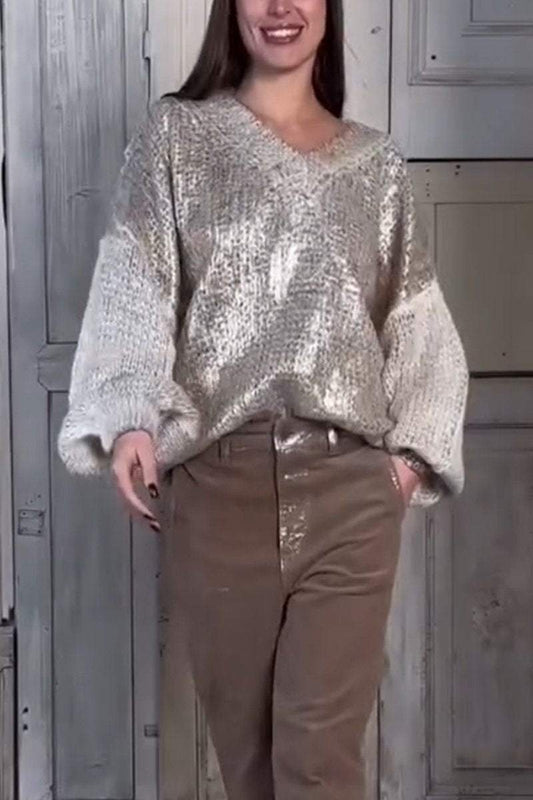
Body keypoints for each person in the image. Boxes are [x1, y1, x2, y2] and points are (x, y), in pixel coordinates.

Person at [57, 0, 469, 797]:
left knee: (316, 763)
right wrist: (131, 419)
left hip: (349, 493)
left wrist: (407, 461)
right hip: (219, 494)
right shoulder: (176, 138)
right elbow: (136, 280)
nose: (280, 7)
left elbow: (415, 319)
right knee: (250, 768)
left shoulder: (375, 166)